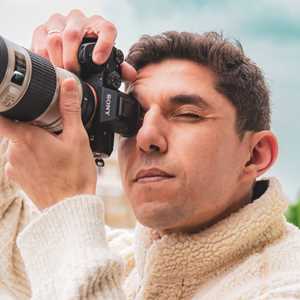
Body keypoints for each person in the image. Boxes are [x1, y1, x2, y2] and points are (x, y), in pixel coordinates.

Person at [0, 9, 300, 300]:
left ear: (255, 155)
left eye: (186, 114)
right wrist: (33, 98)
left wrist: (66, 208)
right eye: (133, 117)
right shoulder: (125, 264)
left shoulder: (284, 285)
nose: (145, 137)